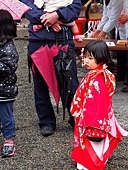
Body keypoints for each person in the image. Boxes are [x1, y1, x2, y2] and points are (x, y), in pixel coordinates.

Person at [21, 0, 82, 136]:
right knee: (40, 84)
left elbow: (76, 7)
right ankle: (46, 121)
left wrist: (57, 14)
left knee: (70, 81)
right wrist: (48, 18)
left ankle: (76, 117)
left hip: (63, 38)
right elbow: (26, 5)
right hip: (38, 39)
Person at [70, 40, 128, 170]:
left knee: (91, 146)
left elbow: (95, 104)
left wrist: (92, 123)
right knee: (93, 145)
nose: (86, 60)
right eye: (85, 57)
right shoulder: (99, 74)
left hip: (93, 120)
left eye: (90, 58)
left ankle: (88, 165)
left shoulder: (98, 79)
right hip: (95, 117)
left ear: (101, 59)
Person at [0, 9, 19, 157]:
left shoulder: (8, 47)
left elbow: (8, 67)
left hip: (4, 90)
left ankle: (8, 140)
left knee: (6, 116)